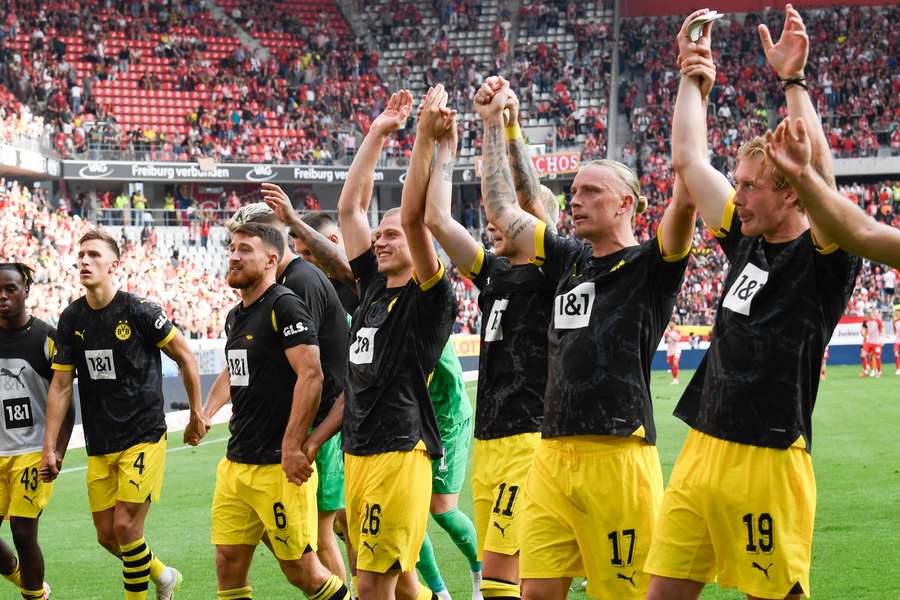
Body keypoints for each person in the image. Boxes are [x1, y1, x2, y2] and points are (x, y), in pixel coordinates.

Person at [645, 7, 860, 599]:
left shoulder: (824, 258)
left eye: (749, 186)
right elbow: (689, 161)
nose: (735, 196)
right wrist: (694, 76)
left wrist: (792, 84)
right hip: (703, 444)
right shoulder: (746, 243)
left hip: (770, 456)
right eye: (736, 183)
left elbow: (822, 176)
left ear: (792, 191)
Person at [474, 74, 697, 599]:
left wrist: (691, 82)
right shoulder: (569, 262)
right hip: (552, 457)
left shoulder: (652, 264)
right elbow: (507, 210)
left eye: (591, 191)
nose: (575, 200)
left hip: (618, 455)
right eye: (572, 192)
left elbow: (687, 190)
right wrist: (495, 129)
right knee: (535, 593)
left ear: (627, 205)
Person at [422, 87, 556, 600]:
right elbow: (437, 220)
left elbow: (518, 201)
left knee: (516, 569)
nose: (495, 226)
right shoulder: (495, 274)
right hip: (491, 437)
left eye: (510, 222)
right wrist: (445, 149)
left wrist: (495, 125)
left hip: (532, 435)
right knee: (509, 574)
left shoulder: (552, 271)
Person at [40, 229, 209, 600]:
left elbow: (185, 356)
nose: (84, 261)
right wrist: (50, 446)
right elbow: (61, 386)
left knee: (127, 528)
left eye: (94, 255)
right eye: (80, 254)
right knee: (108, 536)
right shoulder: (71, 319)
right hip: (100, 441)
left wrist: (197, 412)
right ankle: (163, 576)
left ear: (114, 264)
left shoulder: (140, 311)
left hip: (143, 434)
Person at [337, 87, 455, 600]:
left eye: (392, 236)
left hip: (399, 451)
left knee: (372, 585)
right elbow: (349, 210)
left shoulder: (428, 298)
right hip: (358, 450)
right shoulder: (372, 290)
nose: (381, 240)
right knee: (399, 582)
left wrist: (425, 141)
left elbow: (415, 219)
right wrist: (379, 130)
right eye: (379, 236)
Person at [204, 222, 349, 600]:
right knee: (227, 563)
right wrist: (205, 412)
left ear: (271, 259)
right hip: (237, 463)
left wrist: (292, 444)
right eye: (232, 248)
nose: (234, 255)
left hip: (277, 468)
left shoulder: (284, 305)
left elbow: (312, 374)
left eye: (245, 249)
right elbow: (236, 373)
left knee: (302, 571)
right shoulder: (236, 316)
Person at [0, 263, 69, 600]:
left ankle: (34, 597)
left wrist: (56, 451)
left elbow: (66, 400)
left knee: (23, 532)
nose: (3, 296)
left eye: (10, 288)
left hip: (31, 451)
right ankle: (23, 579)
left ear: (26, 290)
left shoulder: (47, 338)